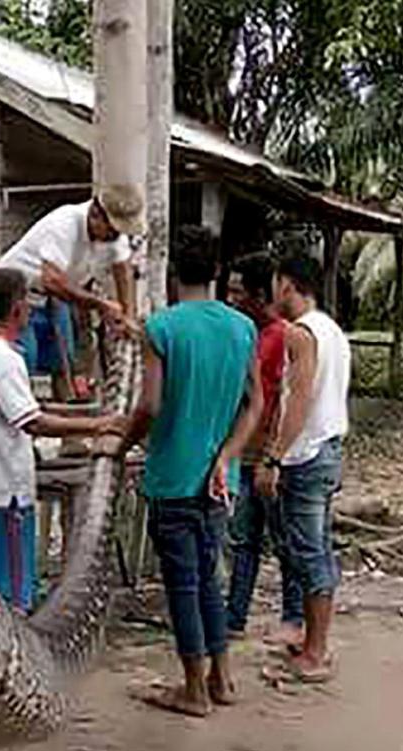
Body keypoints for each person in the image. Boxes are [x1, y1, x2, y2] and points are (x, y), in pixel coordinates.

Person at [114, 226, 263, 717]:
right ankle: (221, 678)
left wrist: (121, 444)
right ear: (218, 272)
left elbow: (150, 405)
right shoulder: (243, 328)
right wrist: (227, 456)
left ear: (176, 273)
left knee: (182, 583)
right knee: (208, 580)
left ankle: (194, 689)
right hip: (221, 480)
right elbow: (253, 405)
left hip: (173, 477)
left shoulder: (162, 328)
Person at [0, 268, 123, 611]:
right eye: (28, 304)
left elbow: (24, 409)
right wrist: (99, 425)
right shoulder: (4, 360)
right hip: (4, 490)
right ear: (17, 309)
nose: (31, 310)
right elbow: (34, 423)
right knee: (12, 595)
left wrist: (83, 417)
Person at [257, 255, 351, 683]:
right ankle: (310, 638)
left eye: (276, 283)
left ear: (287, 285)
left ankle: (316, 651)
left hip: (308, 454)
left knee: (310, 550)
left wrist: (274, 456)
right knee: (312, 546)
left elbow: (300, 400)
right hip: (327, 447)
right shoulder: (332, 330)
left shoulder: (301, 333)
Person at [224, 254, 305, 645]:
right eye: (228, 290)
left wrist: (272, 456)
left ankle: (293, 616)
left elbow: (280, 402)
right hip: (243, 450)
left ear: (259, 295)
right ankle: (235, 615)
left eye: (238, 291)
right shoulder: (243, 332)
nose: (231, 298)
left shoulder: (281, 336)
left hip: (267, 455)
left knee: (282, 539)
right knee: (244, 540)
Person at [0, 191, 144, 386]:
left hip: (54, 296)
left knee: (64, 360)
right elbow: (51, 280)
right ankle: (22, 411)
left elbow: (122, 268)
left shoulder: (113, 236)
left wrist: (128, 316)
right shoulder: (64, 224)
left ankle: (64, 407)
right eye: (112, 230)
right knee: (24, 360)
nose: (115, 236)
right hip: (14, 295)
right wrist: (100, 305)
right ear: (95, 215)